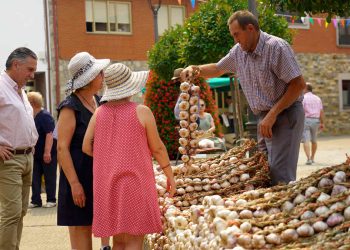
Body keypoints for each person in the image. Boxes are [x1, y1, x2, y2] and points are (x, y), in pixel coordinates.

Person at [181, 10, 306, 185]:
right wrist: (195, 69)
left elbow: (298, 85)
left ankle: (287, 209)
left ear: (250, 28)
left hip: (285, 114)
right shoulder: (238, 52)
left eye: (236, 34)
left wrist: (272, 114)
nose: (235, 40)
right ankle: (270, 210)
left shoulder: (276, 47)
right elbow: (217, 69)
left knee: (280, 176)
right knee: (262, 172)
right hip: (265, 117)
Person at [82, 63, 176, 250]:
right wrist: (169, 174)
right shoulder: (142, 111)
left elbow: (86, 146)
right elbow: (157, 148)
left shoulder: (99, 113)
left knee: (118, 241)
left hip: (107, 185)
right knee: (135, 239)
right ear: (130, 86)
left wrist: (108, 157)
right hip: (135, 182)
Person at [56, 52, 110, 250]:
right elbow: (61, 148)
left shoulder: (98, 100)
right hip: (77, 177)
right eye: (100, 73)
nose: (103, 76)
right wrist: (75, 184)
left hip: (96, 176)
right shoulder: (70, 106)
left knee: (99, 227)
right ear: (90, 79)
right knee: (81, 234)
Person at [0, 47, 39, 250]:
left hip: (26, 157)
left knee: (21, 211)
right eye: (30, 69)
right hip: (9, 159)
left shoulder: (20, 90)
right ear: (16, 65)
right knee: (12, 212)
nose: (32, 75)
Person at [27, 92, 57, 208]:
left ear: (32, 103)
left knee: (49, 176)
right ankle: (35, 200)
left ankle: (51, 199)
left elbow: (49, 134)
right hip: (35, 154)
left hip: (47, 153)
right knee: (35, 177)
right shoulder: (32, 116)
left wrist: (47, 152)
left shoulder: (45, 116)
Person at [301, 83, 325, 165]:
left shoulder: (303, 98)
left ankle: (308, 159)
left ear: (305, 88)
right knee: (314, 140)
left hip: (306, 120)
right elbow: (321, 112)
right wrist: (322, 123)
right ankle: (312, 158)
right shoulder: (317, 98)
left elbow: (301, 111)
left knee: (306, 140)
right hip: (316, 121)